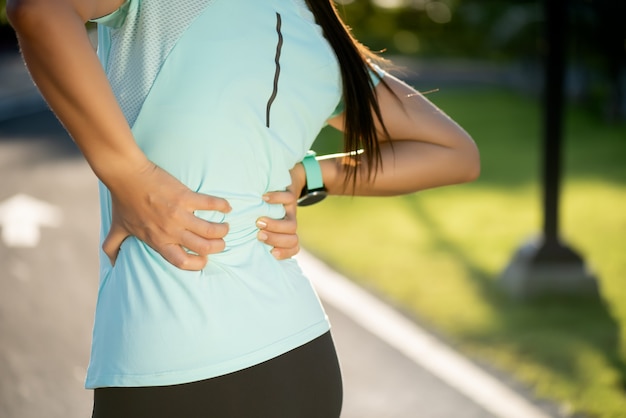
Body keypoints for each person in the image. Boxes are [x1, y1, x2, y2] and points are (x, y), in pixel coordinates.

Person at [7, 0, 480, 417]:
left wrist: (133, 177)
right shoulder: (322, 41)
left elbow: (37, 9)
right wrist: (312, 176)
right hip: (301, 357)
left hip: (172, 362)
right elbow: (455, 152)